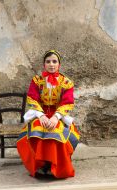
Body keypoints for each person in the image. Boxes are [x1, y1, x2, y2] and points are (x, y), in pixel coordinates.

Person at [17, 50, 80, 179]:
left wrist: (56, 118)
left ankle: (54, 166)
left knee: (57, 131)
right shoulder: (37, 80)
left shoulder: (67, 82)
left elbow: (67, 103)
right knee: (35, 130)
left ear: (59, 64)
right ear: (44, 64)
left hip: (59, 115)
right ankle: (40, 165)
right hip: (40, 113)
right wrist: (41, 116)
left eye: (54, 61)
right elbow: (32, 99)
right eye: (48, 61)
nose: (51, 64)